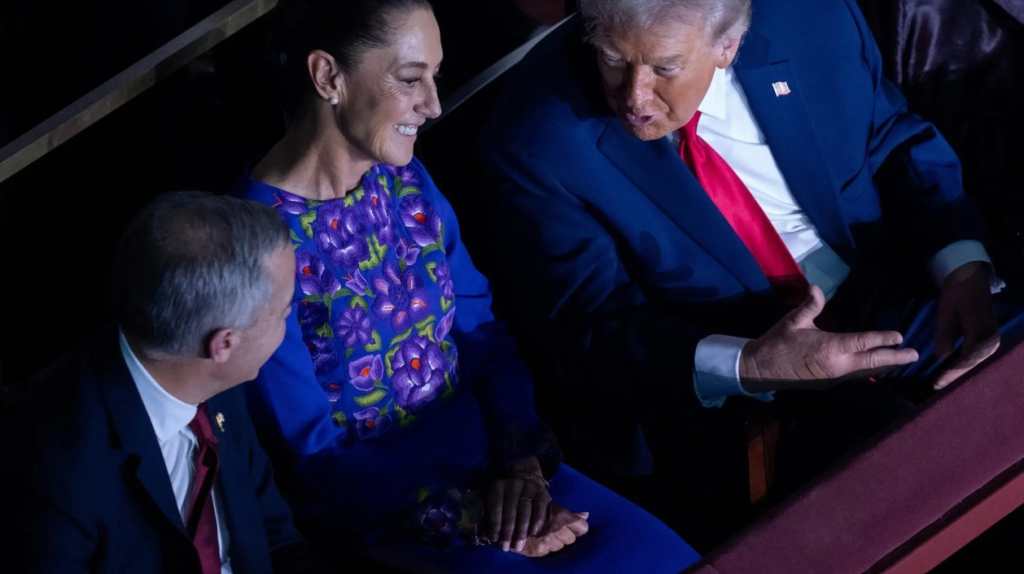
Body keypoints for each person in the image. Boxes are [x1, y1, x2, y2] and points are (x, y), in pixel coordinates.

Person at [478, 0, 1024, 548]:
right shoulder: (539, 138)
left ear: (727, 46)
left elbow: (892, 140)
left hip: (897, 289)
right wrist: (749, 365)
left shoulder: (810, 17)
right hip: (746, 387)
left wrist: (961, 267)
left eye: (665, 67)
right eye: (613, 60)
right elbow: (594, 327)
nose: (634, 97)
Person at [238, 0, 699, 571]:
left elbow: (483, 333)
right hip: (390, 515)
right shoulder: (258, 243)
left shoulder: (407, 179)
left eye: (435, 76)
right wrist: (477, 517)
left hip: (505, 475)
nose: (433, 105)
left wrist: (522, 468)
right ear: (328, 76)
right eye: (411, 79)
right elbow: (314, 456)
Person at [4, 192, 317, 573]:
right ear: (224, 344)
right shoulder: (53, 473)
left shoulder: (218, 386)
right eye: (283, 312)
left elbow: (276, 537)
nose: (290, 317)